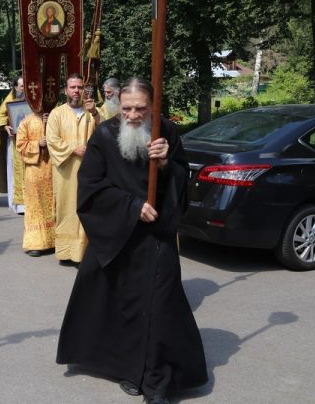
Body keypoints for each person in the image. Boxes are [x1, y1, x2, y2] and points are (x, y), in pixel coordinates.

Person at [56, 77, 207, 404]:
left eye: (141, 108)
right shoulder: (104, 135)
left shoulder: (166, 130)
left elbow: (184, 178)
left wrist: (167, 164)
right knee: (121, 307)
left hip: (158, 236)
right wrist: (131, 207)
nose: (134, 115)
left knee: (161, 307)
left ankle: (156, 384)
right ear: (118, 106)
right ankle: (128, 367)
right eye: (127, 108)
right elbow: (91, 188)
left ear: (152, 106)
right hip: (119, 235)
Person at [46, 73, 100, 265]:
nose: (76, 91)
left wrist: (95, 114)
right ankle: (66, 252)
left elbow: (105, 133)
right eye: (72, 87)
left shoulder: (91, 112)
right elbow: (52, 140)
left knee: (87, 206)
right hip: (66, 172)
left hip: (88, 171)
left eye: (79, 87)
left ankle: (85, 251)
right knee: (66, 208)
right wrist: (73, 149)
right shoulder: (57, 113)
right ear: (66, 90)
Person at [15, 110, 55, 256]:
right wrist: (37, 143)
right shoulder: (26, 121)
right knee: (35, 205)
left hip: (52, 170)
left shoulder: (55, 118)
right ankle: (35, 243)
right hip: (34, 171)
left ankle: (53, 241)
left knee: (53, 204)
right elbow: (20, 146)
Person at [0, 77, 25, 214]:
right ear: (15, 87)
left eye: (25, 86)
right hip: (15, 142)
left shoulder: (33, 98)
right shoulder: (10, 99)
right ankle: (19, 205)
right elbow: (1, 117)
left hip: (31, 141)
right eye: (22, 86)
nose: (24, 89)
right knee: (15, 172)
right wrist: (6, 127)